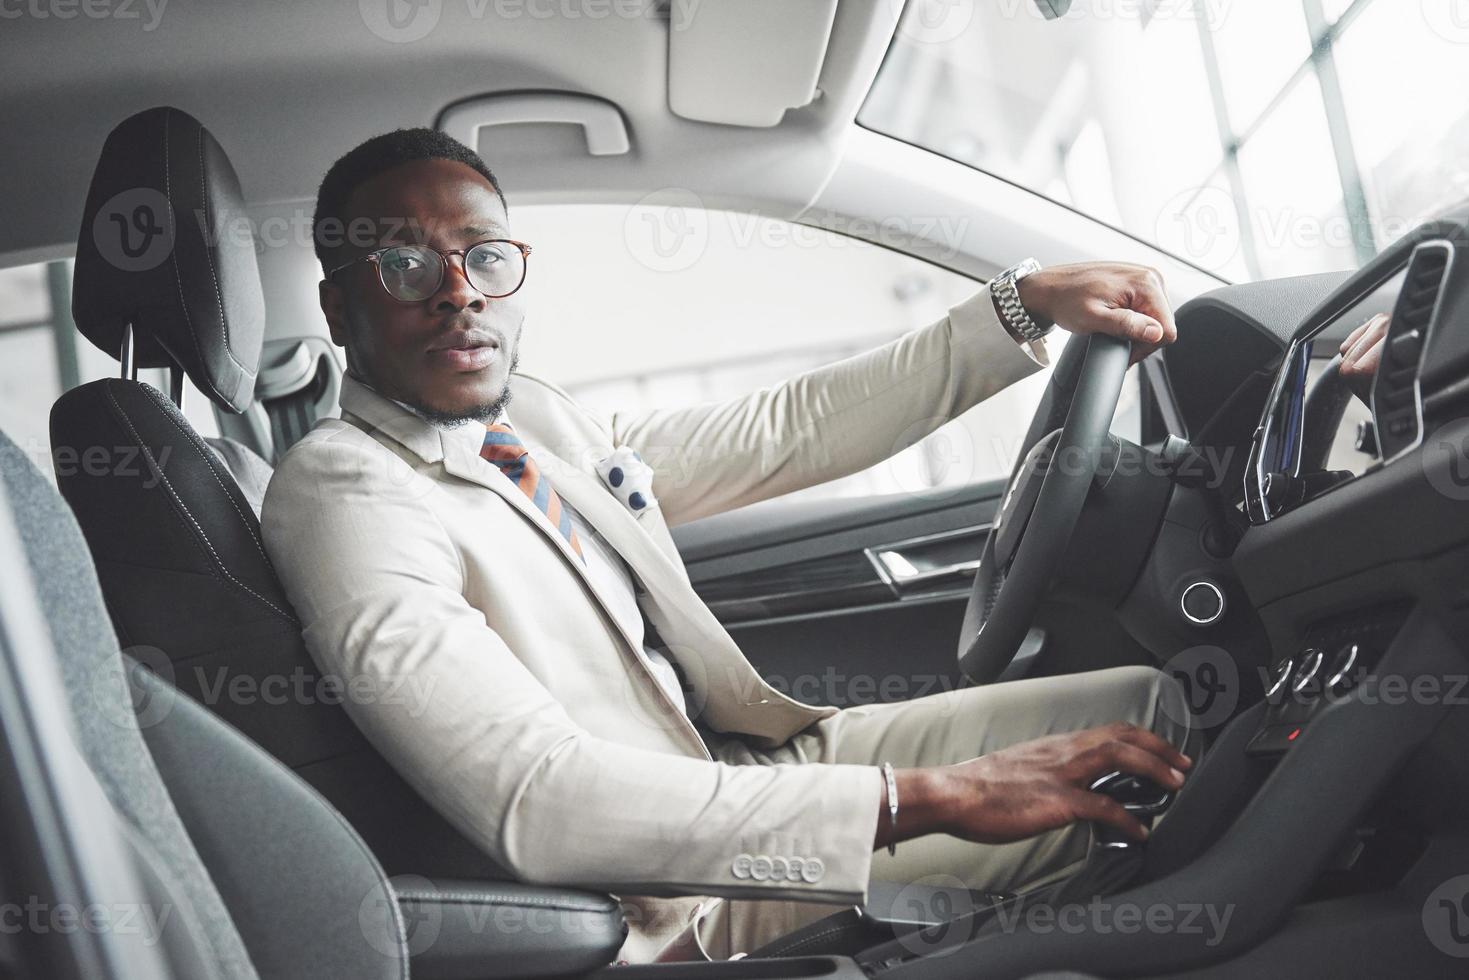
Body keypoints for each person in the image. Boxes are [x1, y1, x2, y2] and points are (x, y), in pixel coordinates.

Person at [261, 128, 1194, 961]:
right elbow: (538, 797)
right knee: (1143, 800)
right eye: (406, 268)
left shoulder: (530, 420)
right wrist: (932, 797)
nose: (459, 292)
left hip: (743, 775)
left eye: (484, 255)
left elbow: (783, 428)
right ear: (340, 310)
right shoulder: (346, 490)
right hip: (667, 903)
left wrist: (1019, 306)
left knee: (1158, 717)